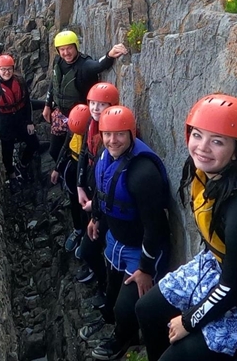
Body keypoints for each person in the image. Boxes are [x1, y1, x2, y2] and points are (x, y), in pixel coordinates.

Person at [135, 94, 237, 361]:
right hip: (219, 268)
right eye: (197, 135)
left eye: (217, 141)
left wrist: (187, 322)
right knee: (146, 309)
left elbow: (232, 289)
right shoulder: (211, 170)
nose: (202, 147)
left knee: (174, 358)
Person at [80, 106, 171, 360]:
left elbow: (155, 227)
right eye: (107, 134)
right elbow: (102, 191)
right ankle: (117, 327)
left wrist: (145, 268)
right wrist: (95, 218)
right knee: (111, 294)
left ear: (132, 134)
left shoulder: (143, 174)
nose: (112, 140)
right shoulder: (104, 153)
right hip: (116, 239)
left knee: (125, 308)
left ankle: (124, 339)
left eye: (119, 134)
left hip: (141, 249)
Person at [42, 30, 129, 161]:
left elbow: (99, 65)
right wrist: (47, 105)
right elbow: (53, 83)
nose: (66, 53)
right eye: (62, 49)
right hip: (60, 113)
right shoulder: (58, 61)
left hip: (80, 117)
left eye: (69, 48)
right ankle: (60, 172)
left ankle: (72, 173)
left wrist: (110, 55)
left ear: (76, 46)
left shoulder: (84, 65)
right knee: (54, 151)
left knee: (76, 154)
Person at [74, 82, 120, 294]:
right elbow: (84, 154)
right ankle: (99, 275)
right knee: (90, 241)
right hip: (93, 191)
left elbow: (113, 180)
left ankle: (104, 284)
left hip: (105, 203)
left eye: (101, 105)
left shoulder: (115, 138)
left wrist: (97, 207)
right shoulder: (91, 125)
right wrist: (80, 186)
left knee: (92, 247)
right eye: (92, 103)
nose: (95, 109)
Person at [0, 54, 41, 182]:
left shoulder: (20, 81)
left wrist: (29, 122)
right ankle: (11, 174)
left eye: (9, 69)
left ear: (13, 69)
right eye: (3, 69)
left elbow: (27, 103)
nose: (6, 72)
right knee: (7, 151)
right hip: (4, 121)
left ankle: (23, 164)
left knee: (34, 144)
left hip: (21, 118)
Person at [51, 103, 92, 252]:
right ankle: (77, 230)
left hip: (87, 172)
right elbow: (65, 146)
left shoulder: (93, 135)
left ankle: (87, 238)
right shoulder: (73, 127)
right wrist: (57, 169)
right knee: (74, 202)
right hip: (72, 166)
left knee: (87, 208)